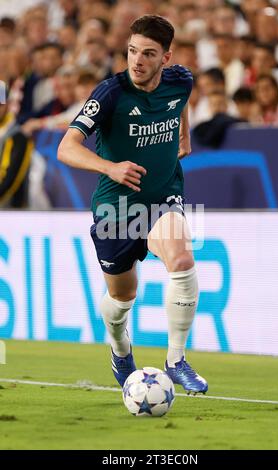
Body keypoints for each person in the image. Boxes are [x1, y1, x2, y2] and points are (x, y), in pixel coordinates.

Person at [58, 14, 208, 395]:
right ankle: (120, 349)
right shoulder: (110, 94)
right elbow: (67, 148)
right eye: (132, 51)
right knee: (122, 299)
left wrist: (183, 135)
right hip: (116, 210)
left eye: (148, 54)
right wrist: (110, 166)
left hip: (161, 196)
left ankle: (176, 360)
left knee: (182, 261)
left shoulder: (181, 80)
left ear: (166, 58)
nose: (137, 61)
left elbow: (181, 101)